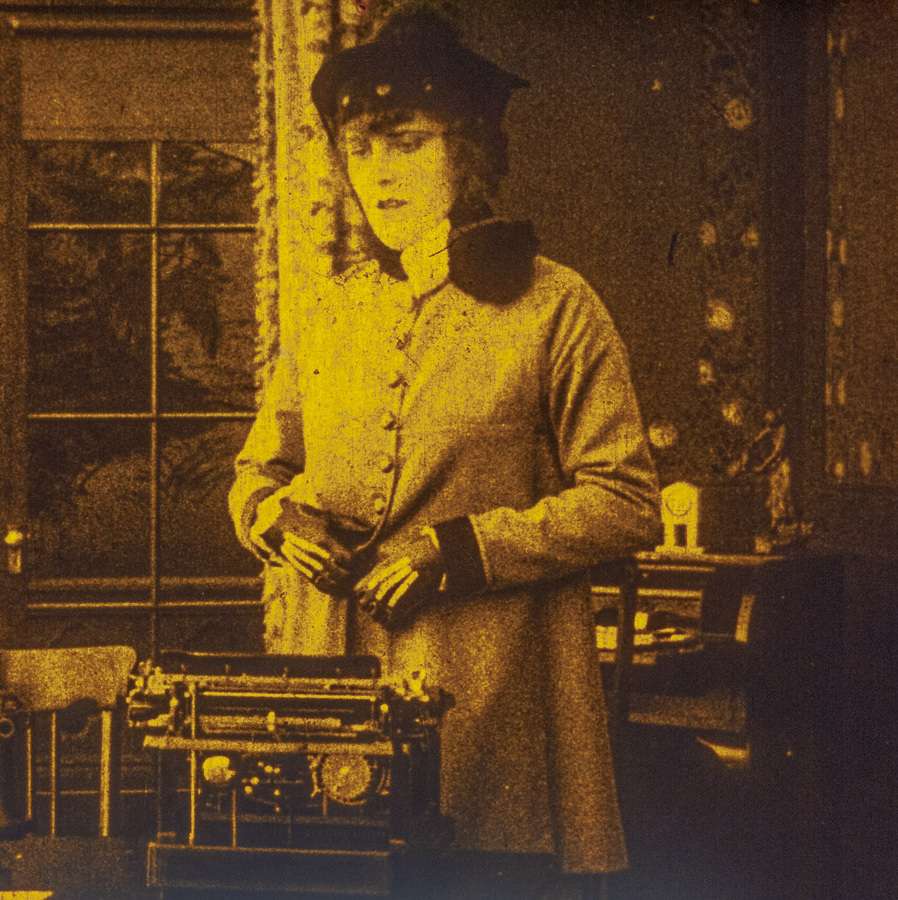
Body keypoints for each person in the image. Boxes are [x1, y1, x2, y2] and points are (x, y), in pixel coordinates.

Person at [229, 10, 661, 896]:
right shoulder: (331, 311)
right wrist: (278, 520)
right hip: (333, 685)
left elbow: (626, 502)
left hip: (489, 695)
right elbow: (257, 472)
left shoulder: (557, 306)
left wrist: (455, 549)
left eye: (408, 144)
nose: (379, 173)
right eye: (361, 150)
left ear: (467, 154)